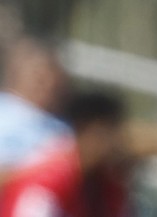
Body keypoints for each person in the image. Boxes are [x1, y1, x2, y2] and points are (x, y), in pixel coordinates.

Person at [0, 90, 131, 217]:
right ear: (87, 130)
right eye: (109, 133)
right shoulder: (48, 180)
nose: (117, 143)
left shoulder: (105, 185)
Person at [0, 40, 70, 178]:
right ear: (17, 73)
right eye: (39, 76)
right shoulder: (4, 111)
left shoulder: (63, 130)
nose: (47, 84)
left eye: (52, 76)